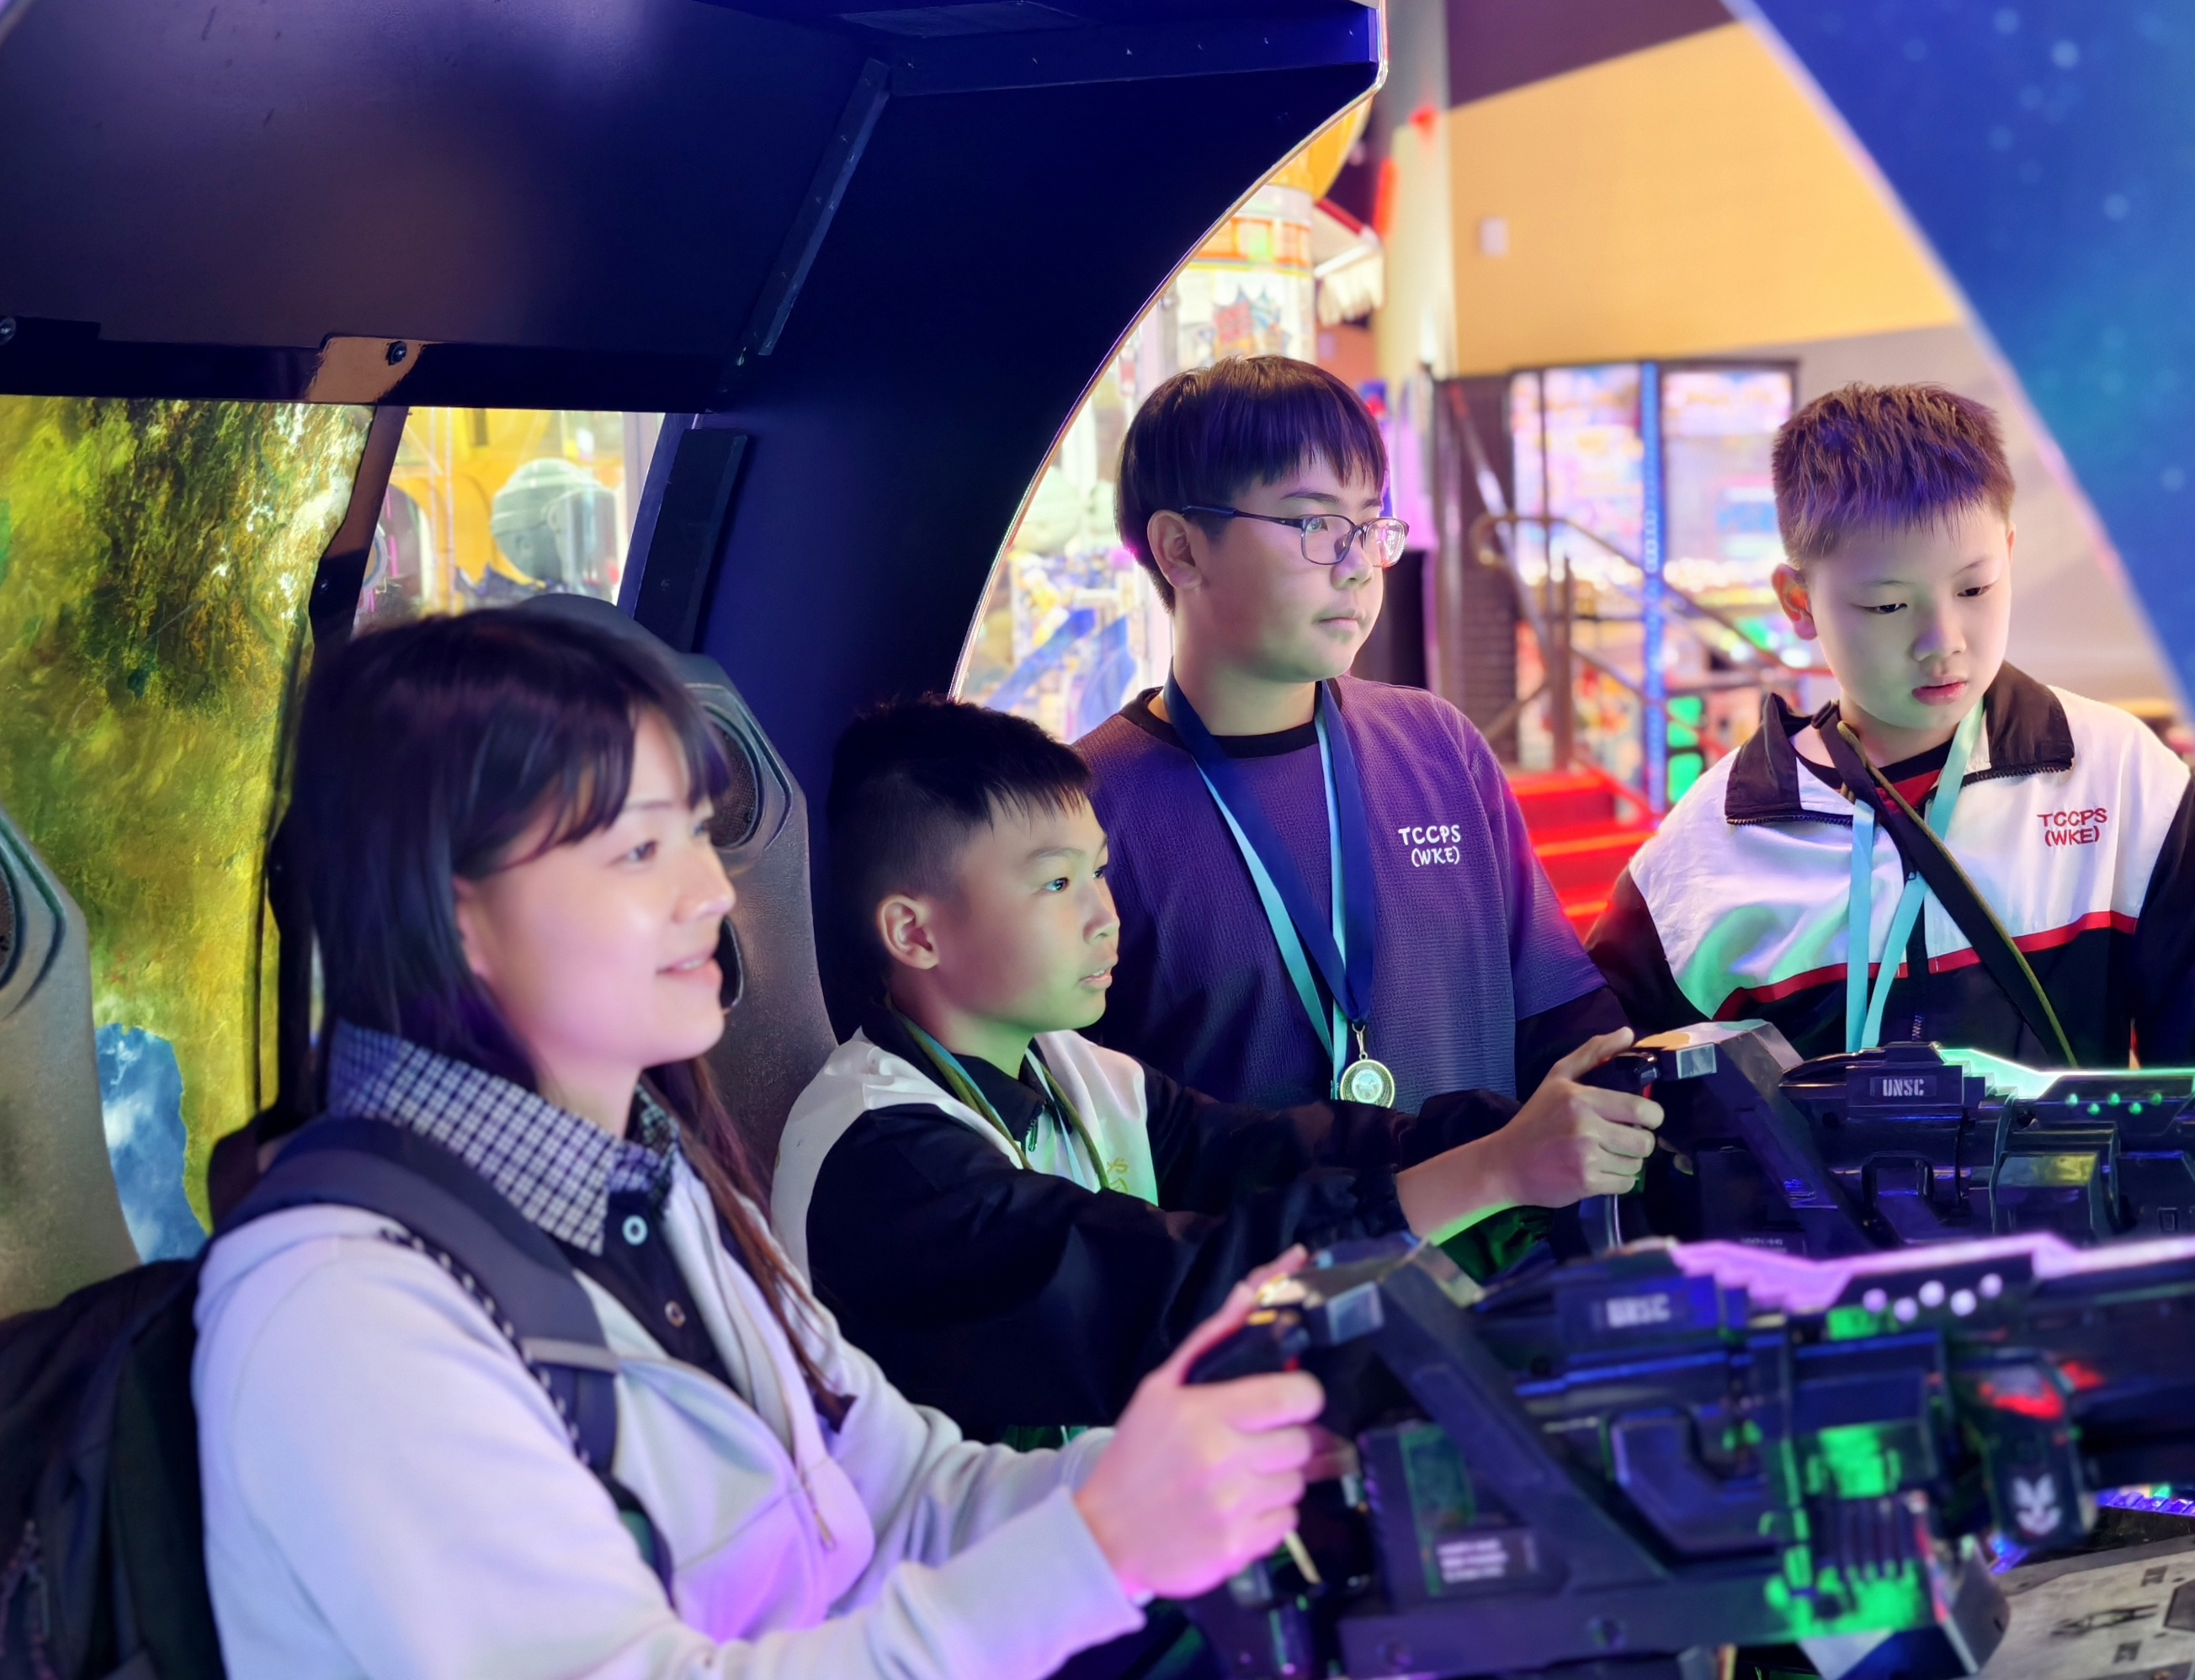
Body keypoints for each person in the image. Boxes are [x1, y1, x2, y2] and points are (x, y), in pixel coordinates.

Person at [194, 609, 1321, 1680]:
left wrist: (1205, 1473)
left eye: (697, 833)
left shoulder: (664, 1193)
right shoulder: (343, 1307)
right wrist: (1095, 1552)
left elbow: (902, 1498)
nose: (711, 890)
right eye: (639, 849)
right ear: (457, 915)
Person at [773, 697, 1662, 1440]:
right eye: (1055, 884)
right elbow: (1165, 1299)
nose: (1103, 916)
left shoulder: (1073, 1072)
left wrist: (1513, 1137)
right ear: (914, 932)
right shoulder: (883, 1156)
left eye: (1099, 872)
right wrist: (1496, 1170)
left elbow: (1281, 1153)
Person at [1586, 382, 2195, 1078]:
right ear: (1799, 601)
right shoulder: (1713, 842)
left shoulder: (2119, 777)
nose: (1944, 642)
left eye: (1974, 588)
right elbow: (1612, 1086)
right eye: (1887, 606)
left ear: (2010, 555)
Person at [1076, 355, 1649, 1124]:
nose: (1357, 568)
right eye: (1314, 524)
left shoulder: (1437, 743)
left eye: (1369, 526)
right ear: (1181, 549)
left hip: (1497, 1206)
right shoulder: (1085, 807)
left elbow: (1560, 1017)